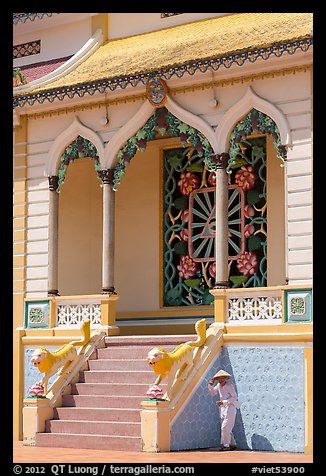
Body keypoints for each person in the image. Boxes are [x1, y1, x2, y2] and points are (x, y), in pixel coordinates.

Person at [208, 369, 240, 451]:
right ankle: (232, 444)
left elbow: (235, 397)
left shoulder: (229, 386)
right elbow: (213, 393)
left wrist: (224, 402)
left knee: (225, 427)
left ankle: (226, 446)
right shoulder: (218, 386)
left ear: (226, 378)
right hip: (222, 409)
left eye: (222, 378)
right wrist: (211, 385)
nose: (220, 380)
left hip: (230, 408)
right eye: (218, 378)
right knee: (227, 428)